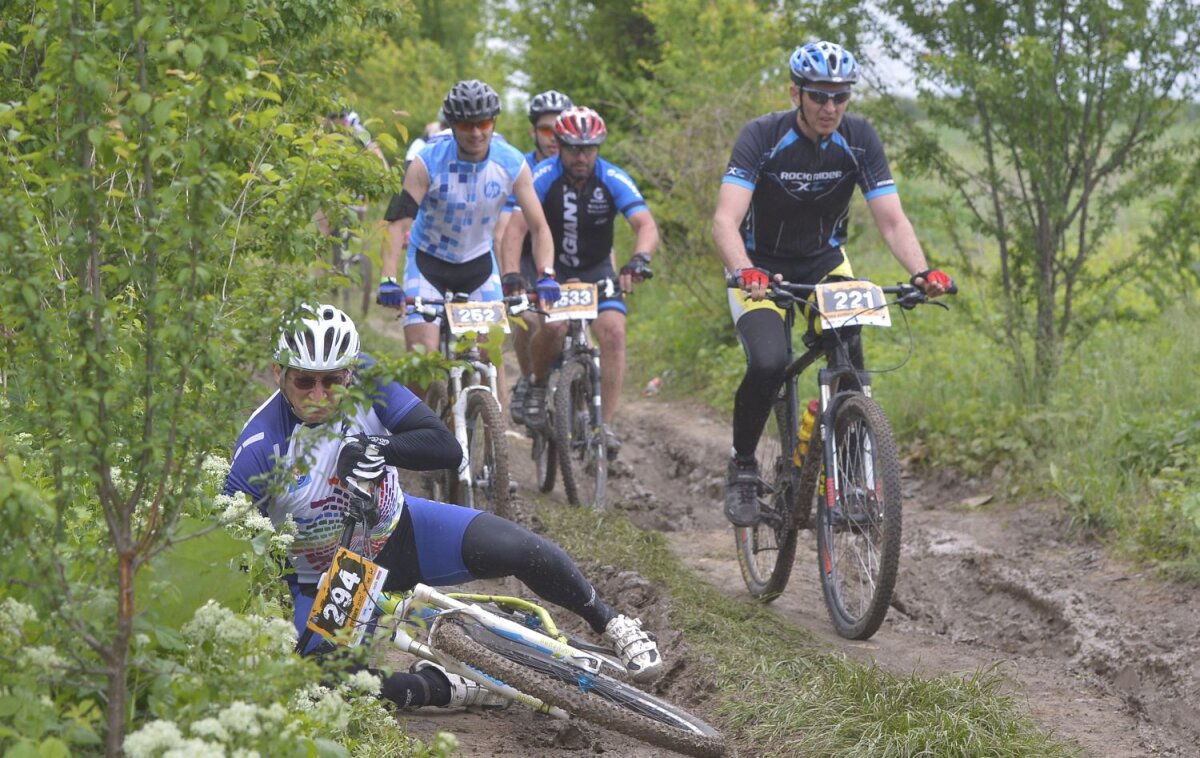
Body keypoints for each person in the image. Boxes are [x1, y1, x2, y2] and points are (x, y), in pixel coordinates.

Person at [222, 304, 665, 711]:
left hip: (403, 530)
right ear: (279, 373)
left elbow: (447, 448)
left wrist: (379, 447)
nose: (319, 393)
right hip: (330, 578)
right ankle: (440, 686)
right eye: (304, 381)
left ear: (350, 372)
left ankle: (611, 622)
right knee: (328, 688)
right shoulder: (261, 448)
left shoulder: (367, 380)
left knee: (523, 549)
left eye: (332, 380)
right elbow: (229, 553)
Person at [711, 40, 954, 527]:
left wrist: (922, 272)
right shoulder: (762, 135)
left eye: (840, 96)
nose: (830, 107)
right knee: (769, 361)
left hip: (824, 262)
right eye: (819, 95)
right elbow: (724, 220)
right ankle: (743, 468)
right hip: (759, 267)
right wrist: (744, 269)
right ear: (796, 94)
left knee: (848, 351)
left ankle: (853, 477)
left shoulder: (860, 138)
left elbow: (892, 220)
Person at [376, 80, 560, 398]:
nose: (476, 133)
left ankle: (493, 423)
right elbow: (396, 224)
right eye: (465, 125)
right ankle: (414, 426)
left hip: (477, 264)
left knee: (488, 357)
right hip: (427, 263)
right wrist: (388, 279)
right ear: (452, 125)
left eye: (483, 123)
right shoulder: (426, 162)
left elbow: (539, 227)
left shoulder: (511, 163)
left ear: (493, 122)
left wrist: (546, 274)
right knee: (422, 361)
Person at [501, 106, 658, 456]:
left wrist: (639, 259)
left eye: (589, 149)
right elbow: (515, 229)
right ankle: (537, 382)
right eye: (573, 149)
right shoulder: (543, 174)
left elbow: (645, 224)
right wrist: (511, 274)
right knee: (554, 328)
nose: (582, 157)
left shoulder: (612, 177)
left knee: (614, 332)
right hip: (552, 269)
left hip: (596, 268)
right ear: (559, 145)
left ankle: (604, 426)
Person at [502, 89, 574, 427]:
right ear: (534, 131)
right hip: (527, 257)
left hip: (568, 257)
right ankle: (529, 380)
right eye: (547, 129)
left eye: (561, 129)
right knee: (528, 319)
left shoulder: (578, 163)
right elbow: (505, 231)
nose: (554, 137)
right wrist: (508, 275)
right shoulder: (521, 168)